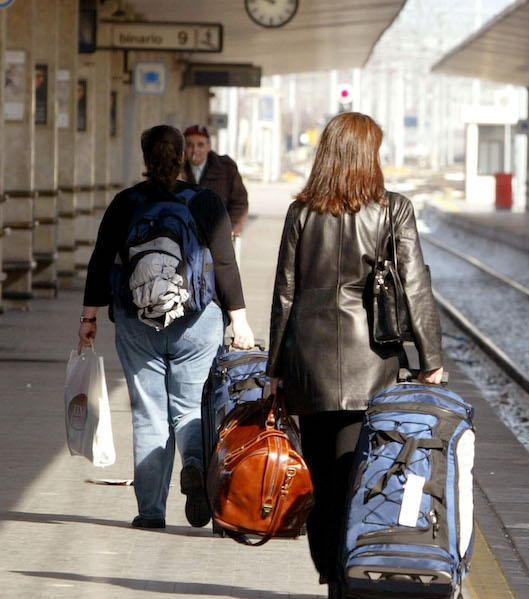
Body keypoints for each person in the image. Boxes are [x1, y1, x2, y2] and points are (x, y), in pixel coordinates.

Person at [266, 112, 443, 597]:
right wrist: (430, 360)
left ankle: (331, 574)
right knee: (362, 475)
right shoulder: (394, 209)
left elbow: (284, 293)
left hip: (309, 364)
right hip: (373, 364)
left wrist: (275, 369)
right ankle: (352, 572)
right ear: (369, 155)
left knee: (322, 478)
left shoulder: (301, 211)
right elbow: (415, 287)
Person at [77, 125, 255, 530]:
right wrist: (238, 320)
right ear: (182, 157)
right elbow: (225, 263)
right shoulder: (205, 201)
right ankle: (195, 467)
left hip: (136, 320)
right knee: (190, 408)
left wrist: (88, 318)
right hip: (196, 319)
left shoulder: (126, 202)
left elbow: (101, 259)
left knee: (149, 412)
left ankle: (151, 511)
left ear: (145, 156)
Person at [182, 124, 250, 262]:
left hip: (216, 240)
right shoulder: (177, 169)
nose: (195, 150)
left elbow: (240, 202)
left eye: (200, 145)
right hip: (184, 242)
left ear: (208, 146)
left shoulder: (226, 169)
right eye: (189, 145)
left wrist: (230, 229)